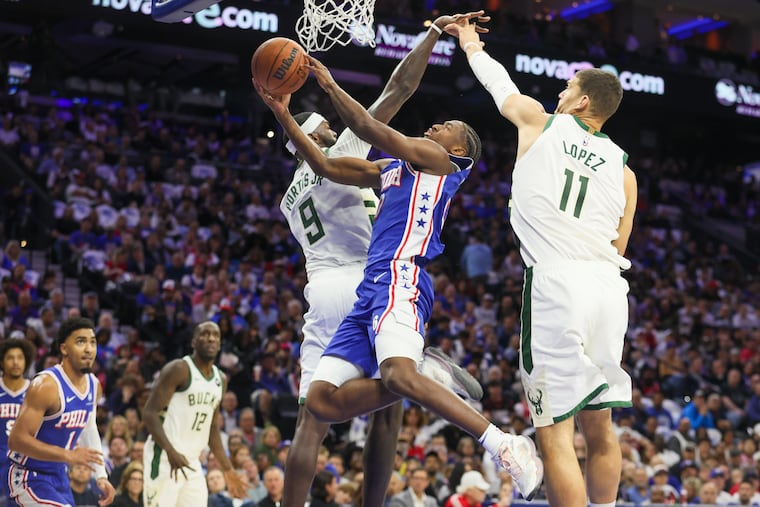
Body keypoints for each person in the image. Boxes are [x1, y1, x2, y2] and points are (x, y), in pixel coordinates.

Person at [254, 49, 542, 501]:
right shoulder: (380, 164)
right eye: (329, 128)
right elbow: (342, 149)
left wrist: (298, 103)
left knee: (320, 416)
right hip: (366, 282)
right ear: (315, 137)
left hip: (374, 277)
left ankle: (487, 432)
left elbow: (357, 139)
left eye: (445, 126)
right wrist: (290, 109)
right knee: (345, 401)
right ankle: (425, 380)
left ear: (458, 149)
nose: (336, 129)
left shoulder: (291, 198)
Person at [450, 17, 638, 507]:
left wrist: (468, 41)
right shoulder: (625, 170)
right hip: (608, 288)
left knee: (554, 434)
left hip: (558, 283)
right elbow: (620, 245)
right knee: (601, 426)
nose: (559, 92)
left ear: (581, 102)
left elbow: (498, 83)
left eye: (567, 87)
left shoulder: (541, 122)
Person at [7, 317, 116, 506]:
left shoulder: (94, 385)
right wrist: (68, 455)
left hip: (60, 477)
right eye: (81, 341)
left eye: (93, 342)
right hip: (28, 476)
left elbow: (88, 429)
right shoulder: (46, 385)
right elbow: (16, 440)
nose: (89, 348)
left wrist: (100, 476)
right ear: (64, 349)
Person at [142, 321, 245, 507]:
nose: (211, 338)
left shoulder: (220, 379)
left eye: (215, 335)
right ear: (193, 341)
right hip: (165, 458)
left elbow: (212, 428)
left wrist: (228, 469)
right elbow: (149, 413)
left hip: (192, 462)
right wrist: (170, 451)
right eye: (205, 334)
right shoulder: (179, 369)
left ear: (220, 343)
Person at [0, 338, 34, 507]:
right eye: (10, 358)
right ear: (1, 362)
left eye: (20, 357)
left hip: (24, 467)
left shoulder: (36, 390)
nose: (15, 362)